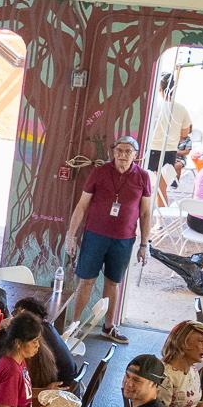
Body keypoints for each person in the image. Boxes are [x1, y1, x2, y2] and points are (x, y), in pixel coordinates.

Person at [63, 135, 154, 342]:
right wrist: (71, 235)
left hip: (124, 239)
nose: (122, 155)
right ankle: (74, 325)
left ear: (135, 155)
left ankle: (108, 327)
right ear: (113, 152)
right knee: (86, 282)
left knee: (113, 283)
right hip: (95, 236)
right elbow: (82, 205)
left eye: (127, 151)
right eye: (119, 151)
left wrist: (144, 244)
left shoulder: (143, 177)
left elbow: (146, 213)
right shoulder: (100, 172)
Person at [146, 71, 194, 177]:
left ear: (159, 89)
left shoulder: (152, 106)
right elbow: (185, 134)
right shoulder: (182, 109)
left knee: (149, 183)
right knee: (163, 184)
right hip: (170, 151)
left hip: (152, 148)